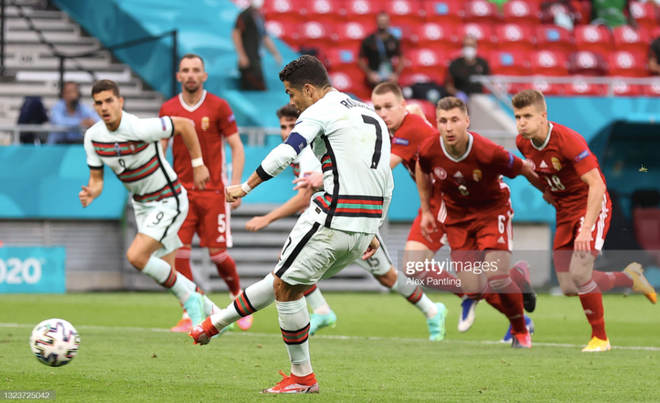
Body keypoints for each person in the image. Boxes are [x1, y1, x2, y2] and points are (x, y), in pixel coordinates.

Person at [190, 55, 394, 394]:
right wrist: (373, 228)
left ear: (310, 89)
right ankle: (214, 325)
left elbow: (287, 152)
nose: (291, 102)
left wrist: (245, 186)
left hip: (332, 217)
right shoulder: (367, 111)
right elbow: (384, 177)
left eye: (290, 94)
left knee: (285, 287)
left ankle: (301, 377)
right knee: (285, 282)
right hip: (363, 227)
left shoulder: (319, 110)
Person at [245, 103, 448, 340]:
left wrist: (267, 218)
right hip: (328, 220)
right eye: (283, 126)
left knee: (386, 275)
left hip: (353, 221)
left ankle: (432, 310)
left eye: (293, 125)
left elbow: (302, 198)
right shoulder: (299, 150)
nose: (288, 130)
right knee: (288, 263)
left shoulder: (311, 150)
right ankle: (321, 310)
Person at [512, 89, 657, 352]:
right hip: (565, 211)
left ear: (543, 116)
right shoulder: (523, 143)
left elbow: (597, 186)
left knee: (580, 274)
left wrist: (586, 229)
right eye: (518, 116)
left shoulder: (568, 140)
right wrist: (544, 189)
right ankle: (628, 277)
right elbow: (534, 171)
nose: (522, 122)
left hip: (592, 205)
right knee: (568, 286)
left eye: (528, 116)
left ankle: (600, 338)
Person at [80, 79, 219, 329]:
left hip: (169, 199)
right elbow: (97, 180)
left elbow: (186, 125)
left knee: (136, 256)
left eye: (109, 100)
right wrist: (92, 192)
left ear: (120, 102)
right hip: (143, 205)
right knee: (167, 270)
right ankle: (217, 314)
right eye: (99, 103)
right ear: (94, 106)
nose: (104, 107)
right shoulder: (93, 137)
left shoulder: (140, 128)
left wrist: (198, 164)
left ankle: (191, 304)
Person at [416, 96, 547, 349]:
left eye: (455, 120)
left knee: (496, 275)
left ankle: (520, 331)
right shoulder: (429, 149)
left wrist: (549, 193)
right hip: (457, 218)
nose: (449, 127)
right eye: (443, 121)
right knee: (473, 288)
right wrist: (426, 210)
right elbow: (422, 169)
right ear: (437, 123)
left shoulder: (488, 151)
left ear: (467, 121)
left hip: (492, 211)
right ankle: (518, 275)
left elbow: (523, 169)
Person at [371, 82, 480, 332]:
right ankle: (470, 295)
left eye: (388, 106)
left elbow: (381, 171)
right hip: (435, 200)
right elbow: (415, 111)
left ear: (401, 105)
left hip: (458, 200)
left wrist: (328, 178)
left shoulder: (409, 130)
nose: (382, 113)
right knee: (413, 267)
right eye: (377, 108)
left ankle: (515, 316)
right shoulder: (401, 122)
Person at [159, 53, 249, 334]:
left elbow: (237, 146)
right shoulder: (169, 107)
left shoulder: (219, 106)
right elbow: (161, 149)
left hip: (213, 193)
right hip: (181, 195)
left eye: (195, 70)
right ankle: (190, 310)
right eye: (185, 70)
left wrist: (235, 186)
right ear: (178, 76)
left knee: (218, 255)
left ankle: (238, 298)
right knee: (179, 254)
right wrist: (159, 186)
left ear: (204, 75)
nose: (190, 75)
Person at [232, 0, 282, 90]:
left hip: (256, 57)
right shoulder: (245, 15)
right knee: (254, 85)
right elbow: (235, 33)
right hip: (249, 58)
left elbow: (264, 37)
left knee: (259, 85)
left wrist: (275, 53)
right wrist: (241, 55)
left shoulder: (259, 16)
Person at [358, 12, 405, 89]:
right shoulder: (368, 40)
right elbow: (360, 59)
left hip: (389, 74)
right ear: (376, 22)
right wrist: (369, 73)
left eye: (384, 21)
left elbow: (401, 57)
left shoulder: (394, 40)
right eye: (380, 21)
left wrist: (396, 74)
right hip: (374, 75)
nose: (382, 23)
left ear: (389, 23)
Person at [445, 36, 490, 103]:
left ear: (476, 47)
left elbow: (490, 81)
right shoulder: (455, 64)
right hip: (461, 101)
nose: (469, 48)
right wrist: (457, 93)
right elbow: (448, 85)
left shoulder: (482, 63)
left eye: (471, 46)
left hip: (479, 100)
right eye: (466, 46)